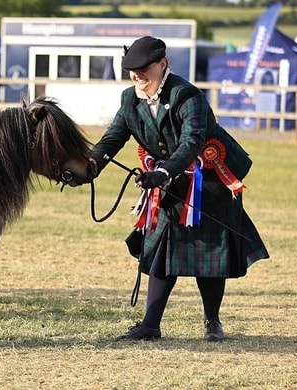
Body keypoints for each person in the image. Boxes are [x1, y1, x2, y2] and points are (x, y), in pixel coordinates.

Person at [90, 36, 269, 341]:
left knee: (208, 254)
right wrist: (89, 165)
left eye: (144, 68)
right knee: (162, 248)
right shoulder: (129, 100)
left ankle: (213, 322)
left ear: (163, 64)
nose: (137, 76)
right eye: (131, 70)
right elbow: (113, 138)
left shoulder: (188, 96)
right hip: (168, 181)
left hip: (210, 182)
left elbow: (193, 142)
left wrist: (162, 171)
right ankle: (150, 325)